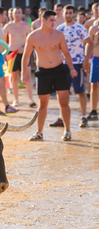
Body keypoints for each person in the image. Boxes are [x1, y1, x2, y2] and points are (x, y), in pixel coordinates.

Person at [22, 10, 77, 142]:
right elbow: (26, 56)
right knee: (43, 104)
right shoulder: (32, 36)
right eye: (51, 20)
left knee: (64, 102)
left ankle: (67, 130)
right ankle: (39, 133)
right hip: (43, 73)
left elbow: (66, 53)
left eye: (54, 20)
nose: (54, 22)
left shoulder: (58, 34)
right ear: (43, 20)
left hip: (59, 71)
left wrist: (72, 68)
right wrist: (24, 73)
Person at [52, 5, 93, 129]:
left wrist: (86, 60)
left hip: (77, 64)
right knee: (62, 92)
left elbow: (90, 43)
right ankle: (61, 118)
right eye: (66, 13)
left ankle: (84, 117)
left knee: (80, 91)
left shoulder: (80, 28)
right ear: (62, 14)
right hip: (62, 64)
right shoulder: (59, 29)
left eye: (70, 13)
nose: (68, 15)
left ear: (74, 14)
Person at [3, 6, 35, 107]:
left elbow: (31, 40)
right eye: (15, 12)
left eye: (19, 12)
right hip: (12, 53)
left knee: (27, 76)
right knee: (14, 77)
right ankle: (16, 99)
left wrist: (24, 48)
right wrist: (4, 52)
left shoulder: (26, 25)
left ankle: (31, 100)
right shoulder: (8, 26)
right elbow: (1, 38)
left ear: (22, 14)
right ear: (12, 14)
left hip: (25, 53)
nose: (17, 14)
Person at [88, 20, 99, 121]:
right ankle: (93, 110)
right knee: (94, 85)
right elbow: (89, 44)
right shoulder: (93, 28)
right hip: (96, 58)